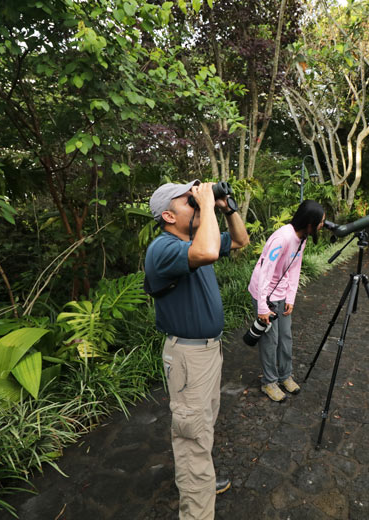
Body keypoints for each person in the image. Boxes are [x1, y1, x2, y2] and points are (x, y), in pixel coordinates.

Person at [144, 179, 249, 519]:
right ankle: (197, 504)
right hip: (189, 357)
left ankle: (200, 478)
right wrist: (206, 205)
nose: (197, 202)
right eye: (189, 201)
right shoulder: (163, 248)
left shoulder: (192, 240)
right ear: (168, 216)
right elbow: (206, 252)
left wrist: (226, 207)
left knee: (203, 427)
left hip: (207, 353)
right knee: (192, 436)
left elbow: (239, 241)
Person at [248, 199, 325, 402]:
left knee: (285, 337)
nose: (322, 225)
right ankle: (269, 382)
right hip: (264, 293)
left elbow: (294, 268)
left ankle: (285, 376)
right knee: (270, 340)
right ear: (310, 223)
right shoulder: (282, 238)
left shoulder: (302, 238)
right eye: (320, 222)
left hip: (281, 293)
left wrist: (290, 296)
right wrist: (263, 307)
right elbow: (265, 272)